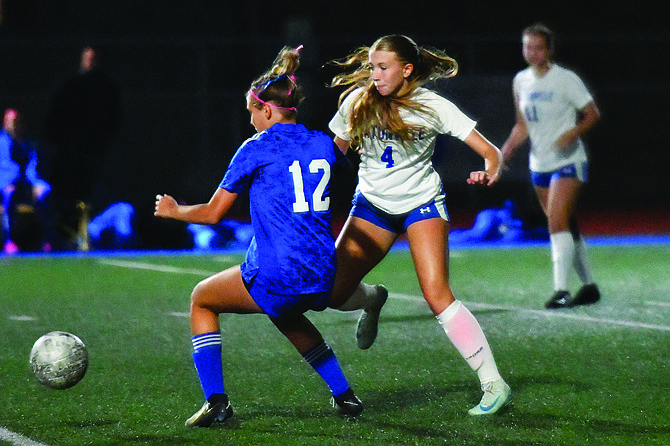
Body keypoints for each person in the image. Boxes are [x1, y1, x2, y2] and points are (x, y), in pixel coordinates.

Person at [154, 45, 363, 427]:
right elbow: (343, 153)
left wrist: (173, 211)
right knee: (285, 313)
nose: (250, 121)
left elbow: (214, 213)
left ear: (266, 109)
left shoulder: (255, 148)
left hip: (280, 272)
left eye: (252, 112)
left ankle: (216, 403)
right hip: (323, 275)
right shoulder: (321, 143)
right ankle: (345, 395)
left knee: (202, 299)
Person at [326, 34, 511, 416]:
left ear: (407, 70)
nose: (374, 75)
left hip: (421, 204)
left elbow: (490, 152)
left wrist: (489, 172)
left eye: (383, 67)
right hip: (372, 206)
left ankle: (493, 382)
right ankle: (374, 298)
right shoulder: (357, 101)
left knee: (436, 293)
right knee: (331, 293)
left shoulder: (432, 105)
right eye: (372, 67)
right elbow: (330, 155)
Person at [500, 24, 601, 309]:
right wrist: (506, 150)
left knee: (555, 221)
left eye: (538, 47)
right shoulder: (521, 80)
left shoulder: (565, 79)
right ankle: (590, 286)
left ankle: (561, 290)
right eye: (527, 47)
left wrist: (572, 133)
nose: (531, 53)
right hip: (539, 163)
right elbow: (522, 125)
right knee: (565, 223)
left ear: (549, 50)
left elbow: (592, 114)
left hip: (568, 161)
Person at [44, 46, 121, 251]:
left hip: (95, 152)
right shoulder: (71, 87)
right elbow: (56, 116)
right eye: (87, 58)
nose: (90, 62)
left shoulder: (105, 88)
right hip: (72, 153)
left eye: (94, 58)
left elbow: (114, 118)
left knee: (94, 196)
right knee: (71, 197)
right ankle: (68, 237)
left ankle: (92, 235)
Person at [0, 108, 52, 253]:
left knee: (44, 191)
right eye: (10, 122)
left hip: (25, 185)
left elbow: (32, 168)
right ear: (5, 123)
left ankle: (43, 239)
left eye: (16, 122)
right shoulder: (1, 143)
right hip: (6, 185)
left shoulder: (28, 144)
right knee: (9, 194)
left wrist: (35, 184)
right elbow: (5, 167)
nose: (14, 125)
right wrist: (10, 183)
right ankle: (8, 240)